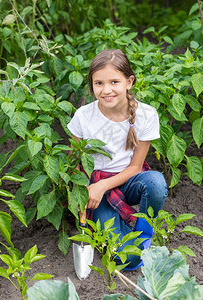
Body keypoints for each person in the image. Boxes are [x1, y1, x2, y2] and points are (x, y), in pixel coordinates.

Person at [67, 49, 167, 269]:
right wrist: (82, 193)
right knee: (127, 259)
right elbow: (73, 164)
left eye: (114, 81)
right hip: (95, 189)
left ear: (129, 82)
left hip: (127, 180)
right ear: (92, 84)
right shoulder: (84, 116)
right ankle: (123, 233)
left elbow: (135, 167)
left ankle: (143, 231)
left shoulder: (146, 115)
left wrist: (103, 185)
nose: (107, 90)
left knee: (156, 183)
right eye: (99, 83)